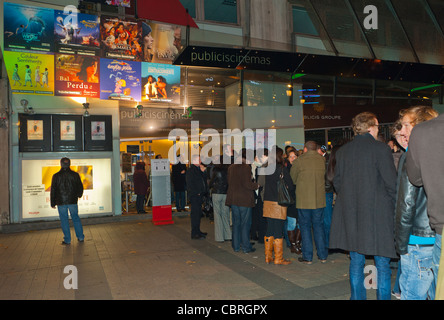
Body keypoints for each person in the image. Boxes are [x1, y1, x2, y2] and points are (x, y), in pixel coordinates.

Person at [329, 112, 397, 300]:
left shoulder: (343, 152)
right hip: (378, 216)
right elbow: (391, 183)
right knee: (382, 264)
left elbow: (338, 182)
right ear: (371, 127)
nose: (377, 130)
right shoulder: (380, 149)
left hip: (352, 215)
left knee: (356, 262)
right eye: (377, 126)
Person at [394, 106, 438, 300]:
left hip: (417, 239)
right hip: (435, 236)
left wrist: (401, 242)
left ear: (419, 126)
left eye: (406, 125)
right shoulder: (437, 152)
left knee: (411, 294)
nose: (401, 131)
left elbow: (406, 202)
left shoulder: (411, 155)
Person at [405, 107, 444, 300]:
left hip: (434, 229)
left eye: (405, 125)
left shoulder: (425, 133)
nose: (403, 130)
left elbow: (415, 180)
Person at [290, 141, 327, 265]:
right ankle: (322, 255)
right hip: (319, 200)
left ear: (305, 149)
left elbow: (293, 178)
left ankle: (308, 257)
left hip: (304, 200)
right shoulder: (322, 160)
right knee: (319, 227)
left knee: (305, 228)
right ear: (316, 149)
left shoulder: (299, 161)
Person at [263, 147, 294, 265]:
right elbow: (290, 185)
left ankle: (268, 256)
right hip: (278, 203)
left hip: (267, 201)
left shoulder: (267, 168)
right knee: (278, 230)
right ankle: (278, 258)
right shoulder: (281, 169)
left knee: (270, 228)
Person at [226, 149, 259, 253]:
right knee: (245, 224)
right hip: (244, 200)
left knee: (236, 223)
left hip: (234, 199)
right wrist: (257, 185)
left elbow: (229, 182)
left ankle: (236, 246)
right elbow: (247, 184)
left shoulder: (231, 167)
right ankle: (246, 247)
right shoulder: (245, 168)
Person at [50, 157, 84, 245]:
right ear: (69, 164)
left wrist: (53, 202)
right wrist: (78, 195)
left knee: (64, 220)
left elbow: (53, 190)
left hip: (61, 201)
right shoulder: (75, 175)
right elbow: (80, 187)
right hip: (73, 200)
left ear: (61, 164)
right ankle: (80, 237)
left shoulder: (56, 176)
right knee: (76, 218)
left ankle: (67, 240)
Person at [209, 155, 231, 242]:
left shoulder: (216, 170)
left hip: (217, 193)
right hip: (225, 193)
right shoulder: (229, 169)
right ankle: (228, 235)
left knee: (217, 215)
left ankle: (219, 237)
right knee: (225, 214)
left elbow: (211, 182)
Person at [186, 155, 208, 239]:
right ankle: (195, 233)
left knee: (198, 214)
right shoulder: (191, 170)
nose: (200, 161)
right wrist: (196, 192)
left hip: (199, 195)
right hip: (195, 196)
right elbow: (190, 184)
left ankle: (198, 231)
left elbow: (203, 180)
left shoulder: (198, 169)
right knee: (195, 215)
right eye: (199, 160)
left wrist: (203, 172)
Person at [285, 148, 301, 255]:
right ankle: (293, 245)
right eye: (290, 157)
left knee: (300, 223)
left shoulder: (301, 169)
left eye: (294, 156)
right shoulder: (285, 170)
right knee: (291, 224)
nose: (292, 159)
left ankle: (298, 243)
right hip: (290, 200)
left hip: (300, 199)